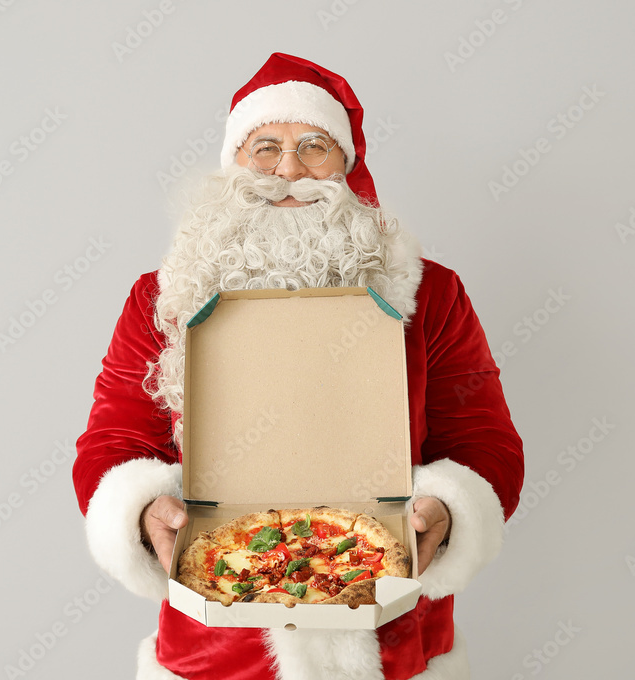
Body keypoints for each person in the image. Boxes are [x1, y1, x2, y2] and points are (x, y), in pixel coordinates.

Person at [73, 53, 524, 680]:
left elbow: (484, 441)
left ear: (347, 167)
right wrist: (144, 509)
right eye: (264, 147)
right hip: (221, 646)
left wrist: (447, 510)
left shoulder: (433, 294)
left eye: (314, 146)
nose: (287, 170)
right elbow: (114, 438)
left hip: (391, 632)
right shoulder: (161, 298)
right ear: (232, 165)